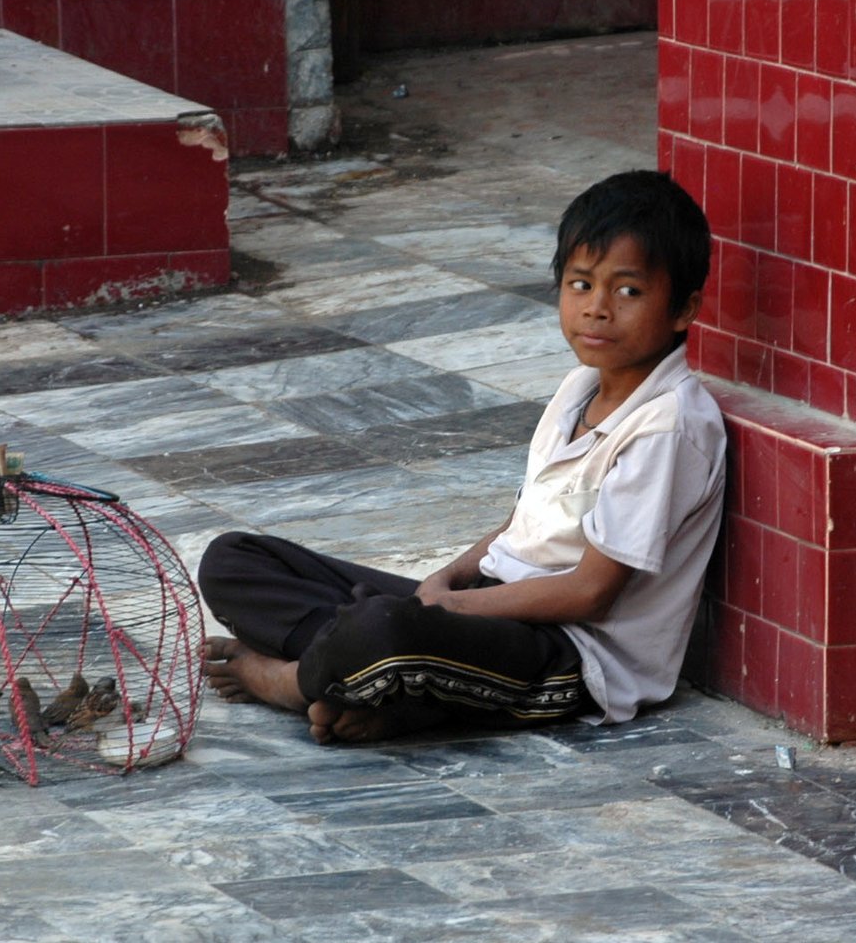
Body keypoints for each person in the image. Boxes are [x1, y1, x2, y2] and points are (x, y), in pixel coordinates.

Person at [198, 170, 726, 744]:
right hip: (489, 609)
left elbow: (589, 593)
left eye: (628, 291)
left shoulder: (667, 425)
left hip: (571, 657)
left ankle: (295, 680)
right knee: (234, 559)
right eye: (580, 284)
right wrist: (448, 577)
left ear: (683, 308)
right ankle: (386, 685)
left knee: (381, 626)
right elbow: (526, 521)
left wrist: (444, 614)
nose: (598, 308)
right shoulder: (581, 388)